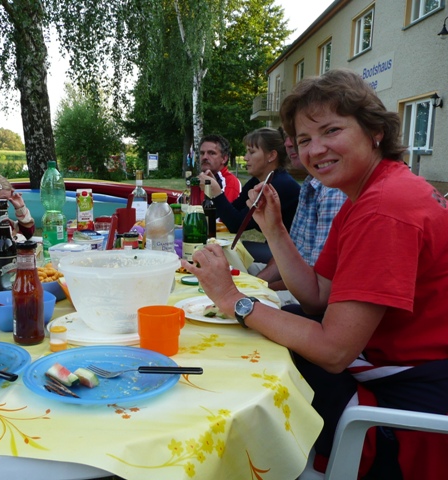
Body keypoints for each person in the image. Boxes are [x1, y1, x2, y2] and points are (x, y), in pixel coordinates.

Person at [184, 69, 448, 479]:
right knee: (265, 345)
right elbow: (317, 295)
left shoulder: (385, 207)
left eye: (331, 130)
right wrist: (273, 229)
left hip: (403, 418)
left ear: (375, 130)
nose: (315, 149)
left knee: (243, 387)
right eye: (304, 140)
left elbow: (333, 350)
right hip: (384, 371)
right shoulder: (366, 194)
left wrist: (233, 300)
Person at [255, 132, 346, 306]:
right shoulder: (310, 183)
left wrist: (259, 289)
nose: (288, 143)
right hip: (299, 281)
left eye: (251, 151)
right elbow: (293, 249)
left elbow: (317, 292)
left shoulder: (332, 190)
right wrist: (256, 284)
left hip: (311, 297)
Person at [200, 127, 300, 262]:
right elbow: (231, 210)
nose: (246, 158)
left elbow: (236, 224)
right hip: (275, 249)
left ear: (271, 156)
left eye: (251, 152)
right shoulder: (259, 180)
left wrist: (217, 193)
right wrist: (209, 193)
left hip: (291, 257)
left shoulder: (279, 185)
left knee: (230, 253)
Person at [198, 134, 241, 202]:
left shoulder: (229, 182)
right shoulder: (201, 180)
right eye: (202, 153)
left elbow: (224, 211)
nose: (204, 157)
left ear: (224, 159)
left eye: (211, 153)